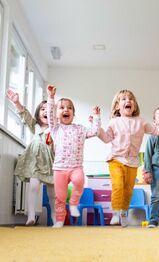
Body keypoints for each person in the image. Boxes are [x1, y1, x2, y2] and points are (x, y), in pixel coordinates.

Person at [98, 90, 159, 227]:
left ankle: (123, 213)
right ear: (117, 106)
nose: (128, 101)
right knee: (118, 185)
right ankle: (116, 213)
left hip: (132, 162)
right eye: (123, 99)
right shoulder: (114, 122)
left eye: (131, 99)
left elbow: (156, 131)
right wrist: (97, 125)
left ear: (134, 105)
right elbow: (106, 139)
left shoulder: (141, 122)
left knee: (128, 189)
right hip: (116, 159)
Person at [47, 85, 101, 228]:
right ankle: (59, 220)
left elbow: (95, 131)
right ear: (57, 114)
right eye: (62, 107)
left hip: (76, 166)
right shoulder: (55, 128)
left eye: (69, 108)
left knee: (79, 182)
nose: (66, 109)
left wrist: (96, 116)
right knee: (60, 197)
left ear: (73, 113)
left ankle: (73, 204)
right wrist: (51, 98)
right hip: (59, 168)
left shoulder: (80, 129)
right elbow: (50, 115)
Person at [6, 89, 56, 226]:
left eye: (48, 109)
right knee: (33, 187)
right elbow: (25, 115)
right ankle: (31, 215)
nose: (46, 111)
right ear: (38, 114)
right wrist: (17, 103)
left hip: (50, 164)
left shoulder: (56, 129)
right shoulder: (36, 126)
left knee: (52, 194)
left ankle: (54, 215)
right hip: (34, 162)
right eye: (42, 109)